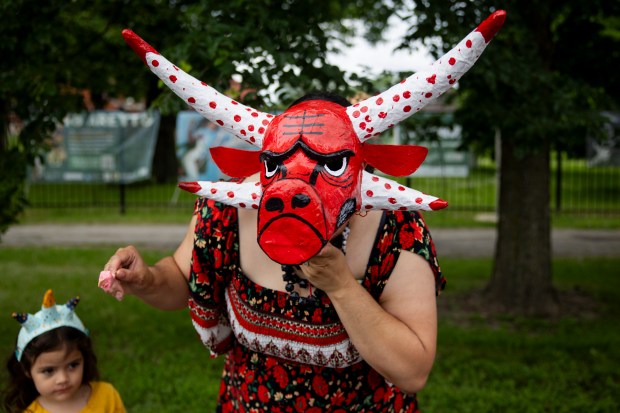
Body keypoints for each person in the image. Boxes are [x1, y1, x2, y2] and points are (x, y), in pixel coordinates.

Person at [108, 12, 505, 411]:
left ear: (360, 168)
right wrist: (144, 279)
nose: (295, 186)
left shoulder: (396, 228)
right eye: (279, 163)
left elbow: (413, 370)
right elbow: (181, 277)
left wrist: (343, 287)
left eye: (329, 164)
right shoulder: (228, 207)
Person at [3, 290, 126, 413]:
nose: (63, 379)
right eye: (48, 370)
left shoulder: (106, 396)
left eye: (73, 365)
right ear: (27, 370)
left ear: (84, 358)